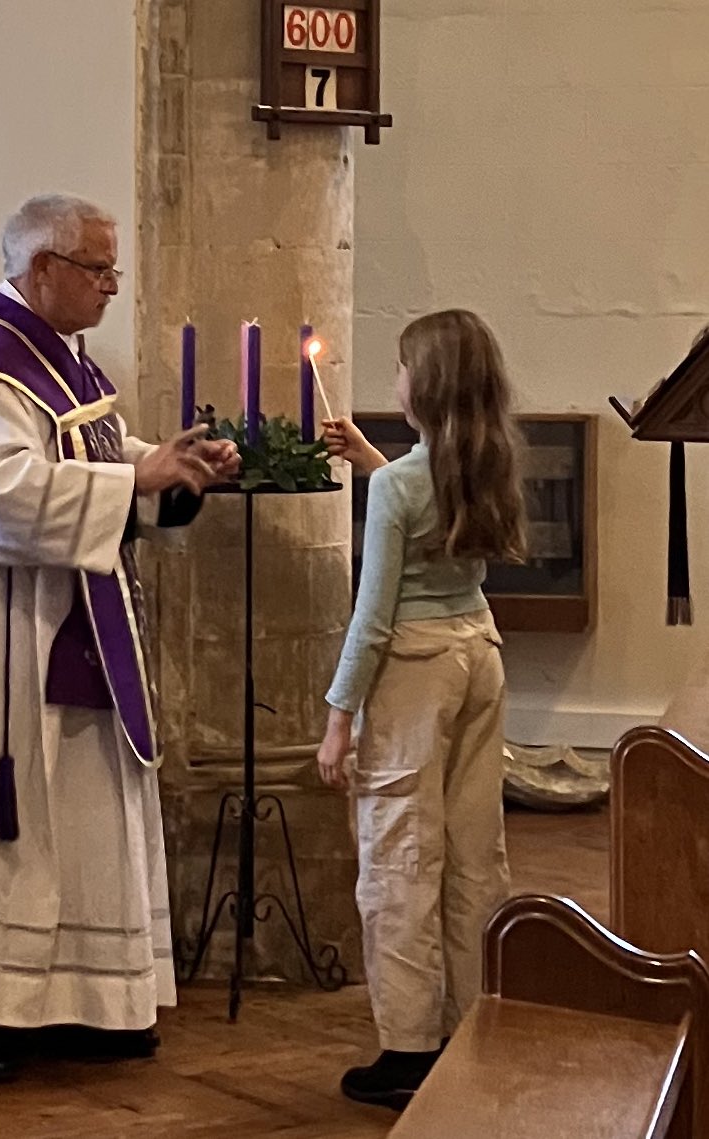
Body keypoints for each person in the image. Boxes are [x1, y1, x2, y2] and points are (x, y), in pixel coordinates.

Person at [0, 193, 239, 1080]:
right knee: (19, 819)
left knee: (91, 805)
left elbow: (90, 447)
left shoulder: (61, 360)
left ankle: (93, 1002)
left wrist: (168, 466)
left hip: (77, 607)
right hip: (11, 619)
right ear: (42, 270)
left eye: (112, 269)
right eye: (96, 269)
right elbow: (7, 500)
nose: (109, 286)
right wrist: (136, 481)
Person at [317, 309, 527, 1109]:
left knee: (401, 855)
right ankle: (472, 1026)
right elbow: (428, 500)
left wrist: (340, 717)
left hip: (414, 671)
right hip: (480, 653)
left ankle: (406, 1048)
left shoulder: (403, 487)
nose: (395, 380)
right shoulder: (487, 459)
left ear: (425, 385)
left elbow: (373, 618)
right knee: (476, 853)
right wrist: (376, 463)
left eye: (403, 368)